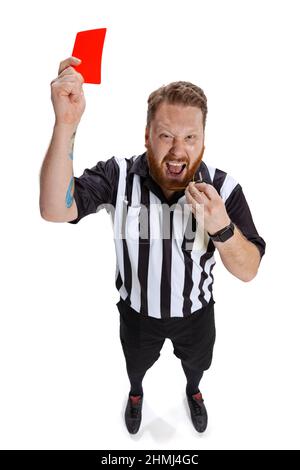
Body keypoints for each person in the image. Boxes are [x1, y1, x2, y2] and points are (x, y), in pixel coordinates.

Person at [39, 56, 266, 435]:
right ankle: (135, 393)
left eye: (190, 138)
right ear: (147, 136)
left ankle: (193, 391)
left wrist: (221, 227)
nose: (178, 150)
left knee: (198, 365)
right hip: (137, 313)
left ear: (204, 141)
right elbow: (53, 209)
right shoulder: (119, 175)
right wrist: (66, 123)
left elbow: (249, 270)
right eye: (166, 136)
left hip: (196, 313)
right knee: (136, 365)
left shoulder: (223, 190)